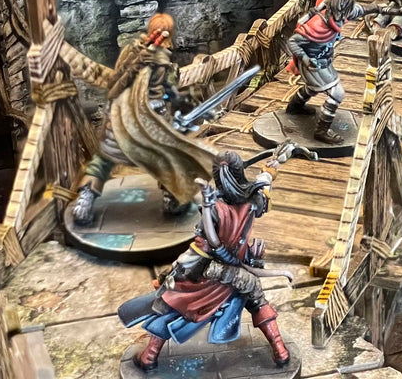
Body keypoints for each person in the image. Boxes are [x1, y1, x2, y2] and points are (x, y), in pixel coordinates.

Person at [118, 143, 314, 371]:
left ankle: (149, 356)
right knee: (254, 298)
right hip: (227, 270)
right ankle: (280, 351)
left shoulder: (218, 206)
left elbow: (203, 245)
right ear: (239, 173)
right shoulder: (254, 199)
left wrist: (178, 265)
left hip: (214, 270)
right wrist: (276, 163)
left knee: (171, 299)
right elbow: (266, 178)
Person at [72, 13, 216, 226]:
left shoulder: (134, 51)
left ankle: (86, 199)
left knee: (105, 158)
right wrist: (181, 98)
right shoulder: (158, 59)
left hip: (126, 117)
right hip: (148, 118)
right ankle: (172, 197)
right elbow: (166, 90)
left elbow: (118, 83)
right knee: (168, 156)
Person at [285, 0, 368, 144]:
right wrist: (305, 59)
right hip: (312, 64)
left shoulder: (341, 15)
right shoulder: (316, 24)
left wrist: (383, 9)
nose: (343, 18)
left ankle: (294, 106)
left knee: (313, 88)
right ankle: (321, 130)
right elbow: (293, 42)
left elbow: (362, 10)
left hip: (324, 61)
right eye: (341, 13)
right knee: (337, 93)